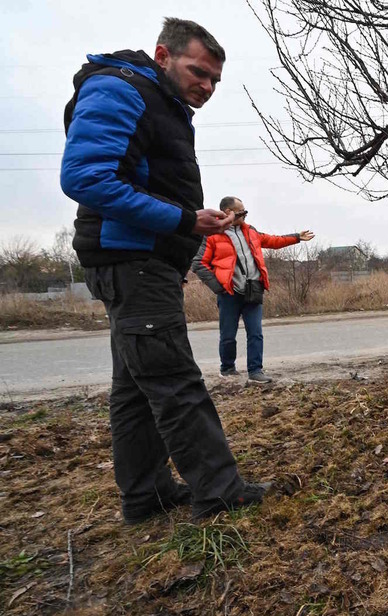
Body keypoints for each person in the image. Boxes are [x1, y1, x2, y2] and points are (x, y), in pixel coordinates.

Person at [60, 18, 268, 523]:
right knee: (175, 380)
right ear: (162, 55)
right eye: (199, 72)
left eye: (216, 80)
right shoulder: (122, 90)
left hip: (140, 260)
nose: (207, 86)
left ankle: (146, 494)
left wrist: (189, 222)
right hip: (133, 261)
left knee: (135, 388)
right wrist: (182, 219)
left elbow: (139, 179)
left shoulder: (158, 103)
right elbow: (84, 177)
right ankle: (219, 490)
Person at [192, 196, 313, 383]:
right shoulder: (212, 235)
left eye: (245, 211)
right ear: (227, 213)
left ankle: (255, 371)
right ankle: (227, 369)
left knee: (255, 333)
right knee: (228, 335)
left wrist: (296, 237)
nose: (245, 215)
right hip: (229, 294)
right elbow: (199, 263)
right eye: (241, 211)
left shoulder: (251, 231)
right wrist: (219, 287)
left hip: (253, 290)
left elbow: (273, 241)